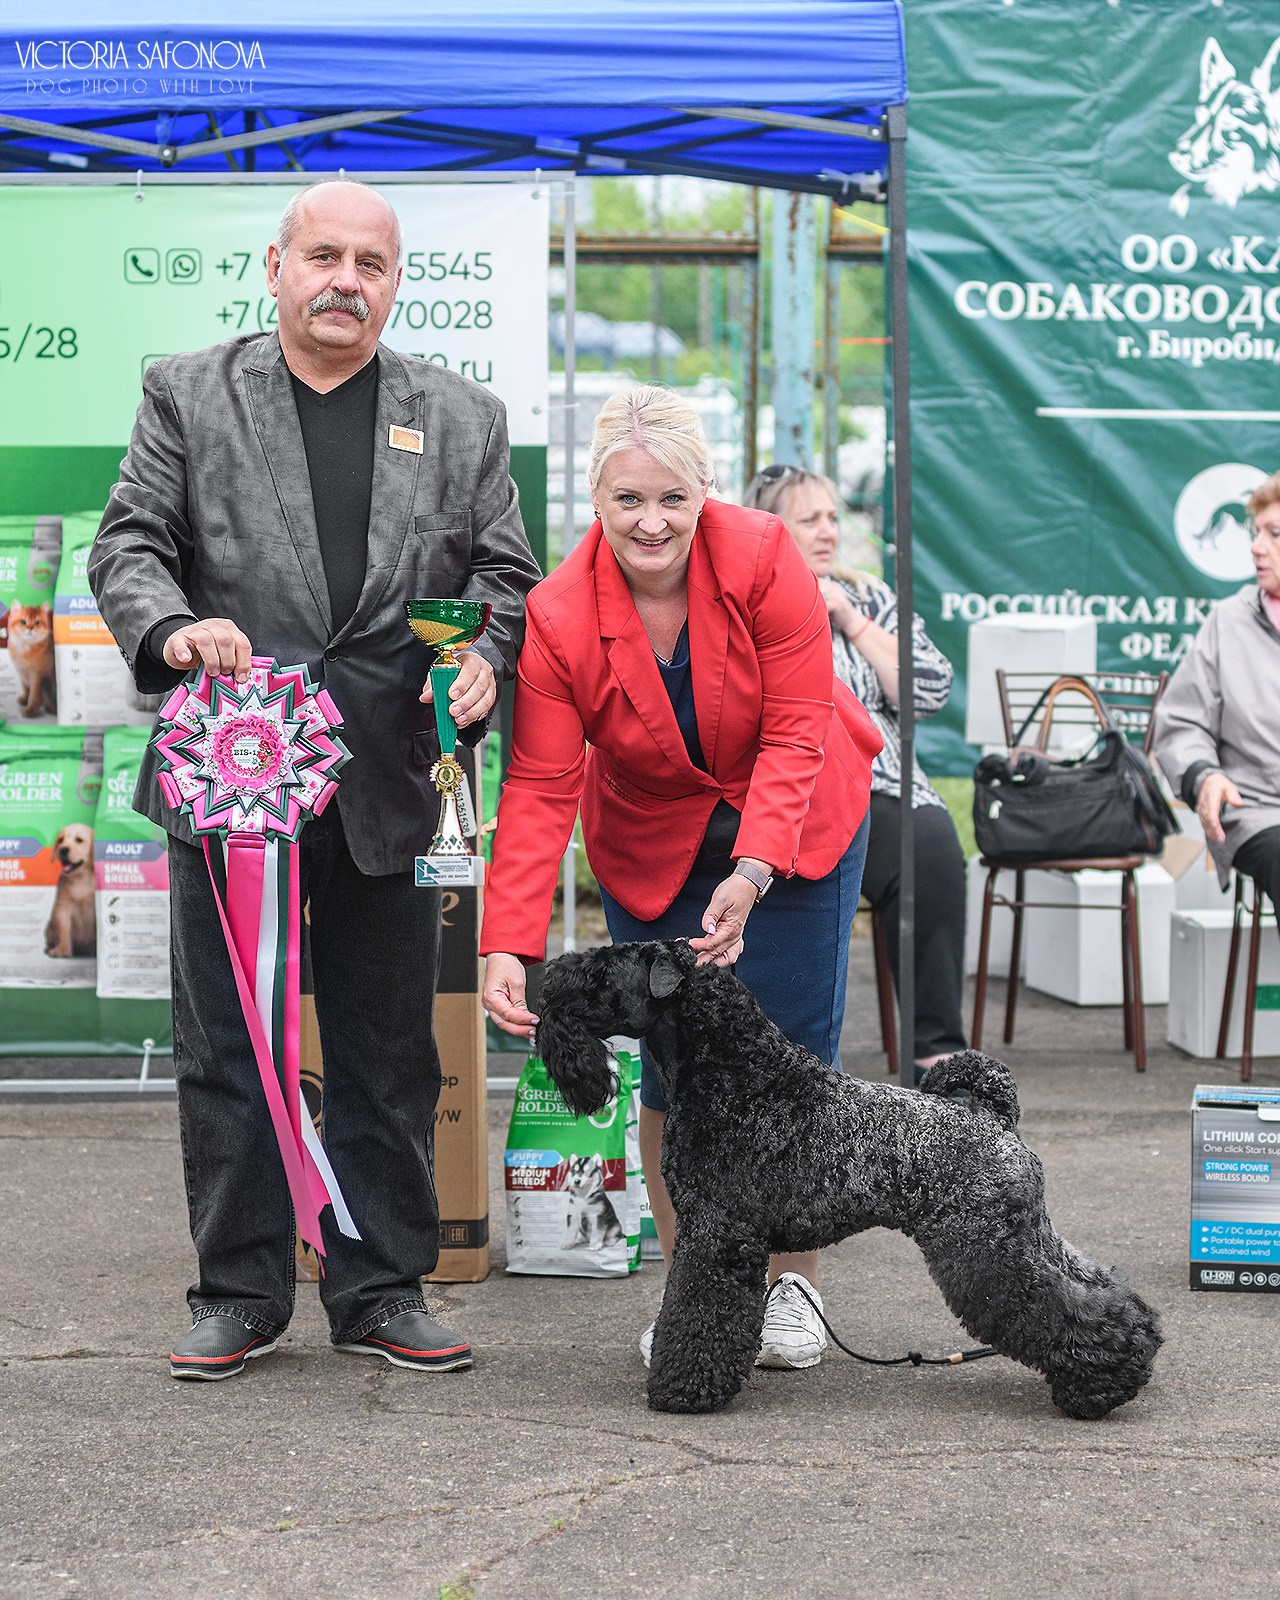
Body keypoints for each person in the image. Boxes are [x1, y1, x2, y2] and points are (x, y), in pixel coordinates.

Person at [89, 180, 541, 1381]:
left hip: (390, 779)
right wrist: (175, 628)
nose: (346, 281)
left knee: (391, 1051)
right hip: (229, 783)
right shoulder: (186, 390)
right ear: (278, 266)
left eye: (371, 265)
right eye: (324, 258)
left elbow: (505, 577)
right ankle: (238, 1292)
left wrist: (490, 658)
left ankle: (381, 1287)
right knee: (229, 1043)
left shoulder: (463, 415)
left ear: (396, 283)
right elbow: (128, 541)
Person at [481, 388, 881, 1371]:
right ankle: (697, 1282)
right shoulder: (556, 611)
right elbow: (537, 781)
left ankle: (791, 1287)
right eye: (626, 501)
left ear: (704, 489)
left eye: (670, 497)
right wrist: (507, 941)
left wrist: (753, 867)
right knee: (673, 1069)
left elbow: (795, 724)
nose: (649, 522)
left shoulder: (761, 556)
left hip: (793, 819)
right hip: (651, 839)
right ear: (594, 500)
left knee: (784, 1058)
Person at [743, 465, 968, 1075]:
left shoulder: (868, 594)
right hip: (791, 786)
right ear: (771, 529)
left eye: (834, 518)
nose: (827, 532)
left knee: (933, 849)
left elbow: (929, 689)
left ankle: (936, 1056)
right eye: (809, 519)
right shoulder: (744, 593)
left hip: (882, 780)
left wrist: (851, 619)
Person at [1155, 473, 1280, 948]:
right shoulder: (1228, 622)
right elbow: (1181, 723)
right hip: (1262, 814)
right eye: (1256, 533)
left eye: (1275, 534)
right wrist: (1204, 776)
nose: (1256, 548)